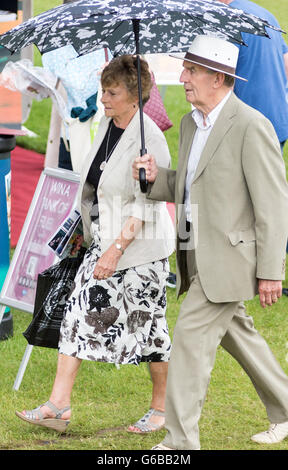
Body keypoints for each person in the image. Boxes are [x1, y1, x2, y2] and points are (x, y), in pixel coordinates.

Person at [133, 35, 288, 449]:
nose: (182, 78)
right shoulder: (189, 123)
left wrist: (272, 271)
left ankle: (180, 444)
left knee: (187, 340)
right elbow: (186, 187)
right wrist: (153, 178)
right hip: (195, 256)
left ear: (218, 77)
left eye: (192, 71)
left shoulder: (253, 125)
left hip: (231, 258)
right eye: (185, 69)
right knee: (241, 336)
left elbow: (273, 206)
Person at [15, 55, 175, 434]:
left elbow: (145, 204)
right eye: (103, 89)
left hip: (139, 253)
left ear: (135, 96)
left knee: (150, 331)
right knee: (74, 315)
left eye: (112, 92)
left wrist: (115, 251)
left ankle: (162, 409)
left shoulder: (149, 138)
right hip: (102, 242)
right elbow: (94, 183)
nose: (103, 97)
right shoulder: (108, 123)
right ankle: (59, 406)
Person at [216, 0, 288, 152]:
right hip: (277, 119)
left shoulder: (226, 20)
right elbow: (286, 63)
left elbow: (221, 80)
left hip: (246, 127)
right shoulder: (266, 14)